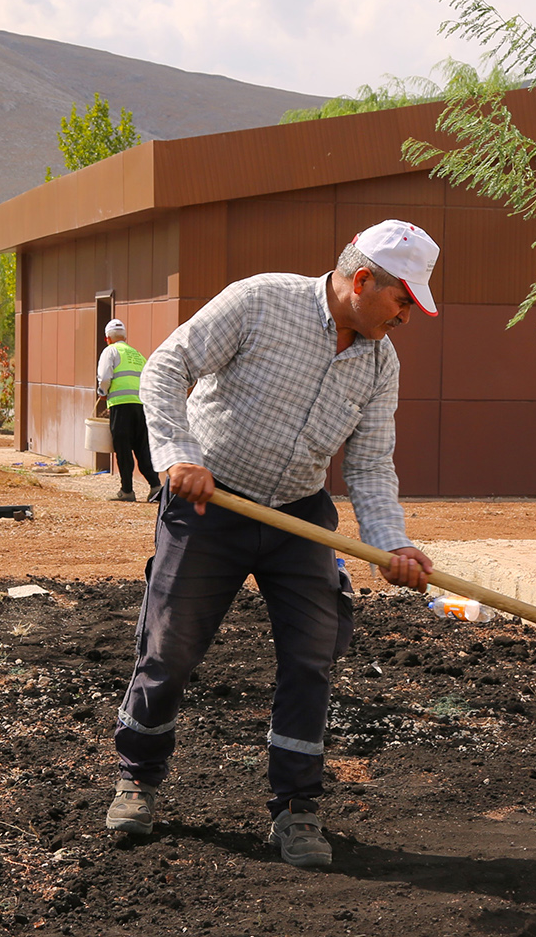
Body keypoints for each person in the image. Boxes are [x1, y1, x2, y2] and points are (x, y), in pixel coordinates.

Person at [107, 219, 439, 868]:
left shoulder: (380, 362)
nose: (408, 314)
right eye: (404, 299)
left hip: (298, 518)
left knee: (312, 656)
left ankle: (296, 808)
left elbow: (370, 466)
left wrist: (394, 543)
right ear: (364, 280)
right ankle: (138, 778)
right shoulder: (260, 300)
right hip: (210, 503)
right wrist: (177, 454)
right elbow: (167, 366)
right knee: (169, 646)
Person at [95, 318, 159, 502]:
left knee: (123, 448)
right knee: (142, 447)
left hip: (121, 404)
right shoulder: (137, 355)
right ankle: (155, 486)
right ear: (125, 337)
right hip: (141, 405)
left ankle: (127, 491)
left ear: (107, 338)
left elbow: (105, 376)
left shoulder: (110, 351)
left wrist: (102, 392)